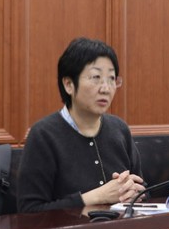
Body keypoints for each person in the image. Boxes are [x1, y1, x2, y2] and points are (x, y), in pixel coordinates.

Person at [17, 37, 144, 212]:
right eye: (96, 77)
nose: (106, 88)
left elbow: (143, 190)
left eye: (111, 79)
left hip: (120, 228)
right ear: (69, 84)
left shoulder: (119, 129)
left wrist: (134, 192)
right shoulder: (44, 135)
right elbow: (29, 211)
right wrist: (96, 197)